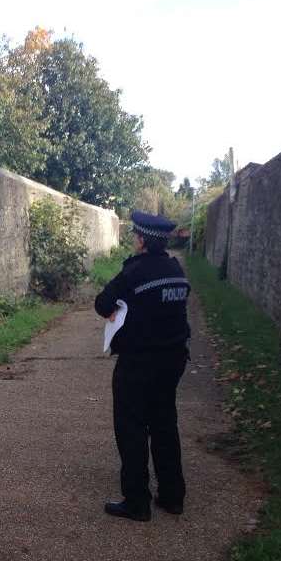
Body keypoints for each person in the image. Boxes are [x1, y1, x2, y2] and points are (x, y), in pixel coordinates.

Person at [94, 211, 191, 522]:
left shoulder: (134, 271)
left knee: (132, 427)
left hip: (139, 362)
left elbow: (103, 303)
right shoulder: (176, 270)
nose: (134, 240)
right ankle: (173, 496)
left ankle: (136, 501)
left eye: (136, 235)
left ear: (142, 240)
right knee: (164, 424)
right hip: (173, 358)